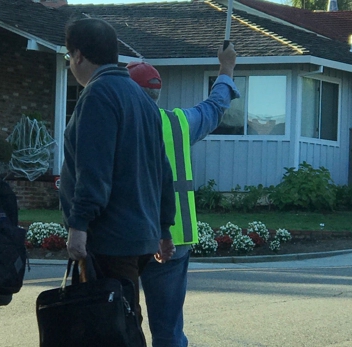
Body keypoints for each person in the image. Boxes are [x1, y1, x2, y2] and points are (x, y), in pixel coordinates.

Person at [59, 17, 177, 331]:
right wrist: (164, 228)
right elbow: (162, 171)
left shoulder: (98, 95)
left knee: (114, 326)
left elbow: (93, 170)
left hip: (110, 237)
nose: (70, 63)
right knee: (123, 317)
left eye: (68, 56)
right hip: (141, 233)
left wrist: (79, 224)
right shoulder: (142, 100)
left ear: (79, 55)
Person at [127, 44, 239, 347]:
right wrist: (226, 68)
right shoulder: (178, 123)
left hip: (126, 238)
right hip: (175, 240)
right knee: (168, 331)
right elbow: (215, 107)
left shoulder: (118, 124)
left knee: (118, 321)